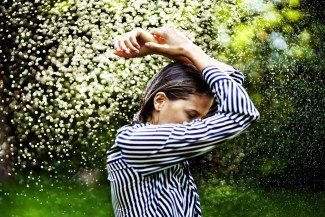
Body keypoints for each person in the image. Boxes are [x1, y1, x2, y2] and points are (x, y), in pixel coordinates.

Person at [107, 27, 260, 217]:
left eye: (200, 119)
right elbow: (241, 113)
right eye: (191, 115)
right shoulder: (137, 141)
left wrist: (164, 49)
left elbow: (233, 82)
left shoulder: (161, 140)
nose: (195, 124)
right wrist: (189, 50)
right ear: (160, 101)